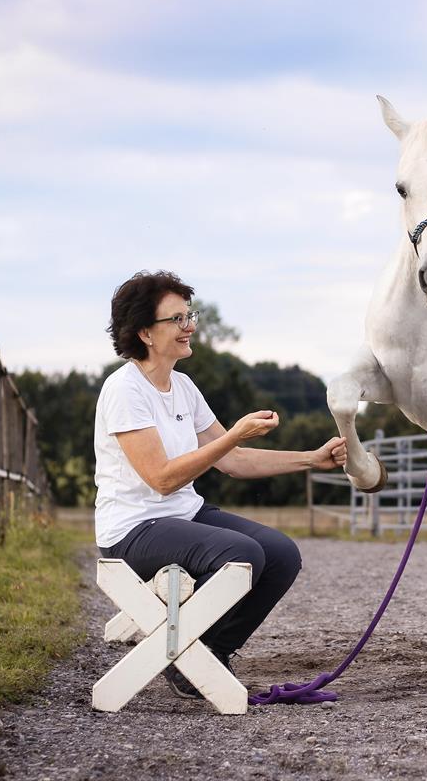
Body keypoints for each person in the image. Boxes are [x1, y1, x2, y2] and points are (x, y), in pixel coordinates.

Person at [94, 270, 346, 699]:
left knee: (281, 554)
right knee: (242, 552)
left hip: (181, 514)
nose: (189, 326)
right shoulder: (124, 390)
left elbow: (234, 460)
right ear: (145, 333)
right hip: (132, 530)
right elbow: (161, 479)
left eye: (189, 315)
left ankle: (208, 652)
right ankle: (189, 658)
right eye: (176, 319)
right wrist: (233, 434)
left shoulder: (184, 387)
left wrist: (312, 459)